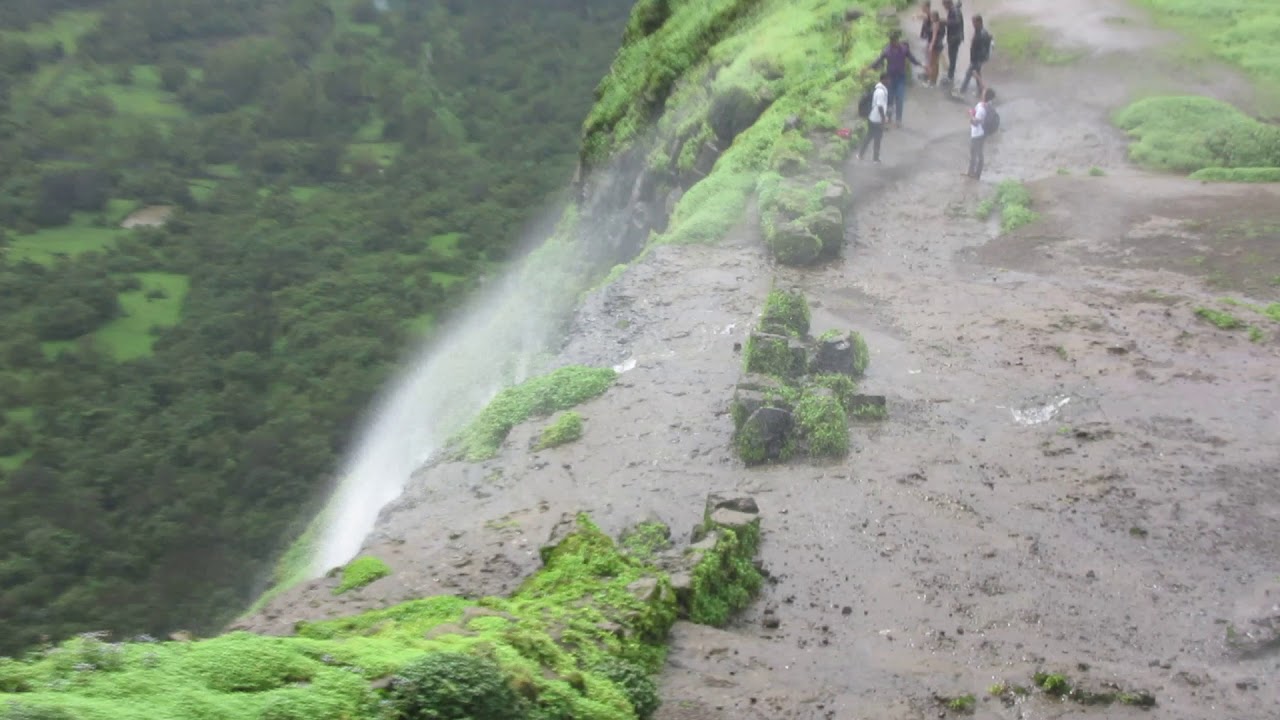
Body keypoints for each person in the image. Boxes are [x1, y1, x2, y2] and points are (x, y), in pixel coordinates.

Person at [867, 32, 922, 128]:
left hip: (900, 77)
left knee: (899, 98)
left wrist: (921, 65)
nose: (896, 43)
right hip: (890, 78)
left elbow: (912, 58)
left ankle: (898, 120)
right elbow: (879, 61)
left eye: (896, 41)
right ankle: (888, 118)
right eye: (894, 42)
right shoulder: (887, 51)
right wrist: (869, 67)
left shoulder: (904, 49)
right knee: (889, 99)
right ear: (891, 42)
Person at [858, 73, 890, 163]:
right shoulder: (880, 92)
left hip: (873, 117)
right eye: (888, 79)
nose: (889, 81)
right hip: (876, 119)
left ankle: (861, 154)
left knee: (870, 136)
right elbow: (880, 106)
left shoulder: (880, 89)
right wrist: (883, 118)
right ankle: (875, 158)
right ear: (883, 80)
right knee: (877, 138)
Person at [959, 15, 993, 97]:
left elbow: (984, 49)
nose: (973, 24)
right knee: (977, 74)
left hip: (977, 59)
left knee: (968, 74)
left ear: (979, 22)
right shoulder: (978, 31)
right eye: (972, 22)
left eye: (974, 22)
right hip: (976, 58)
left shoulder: (982, 33)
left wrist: (978, 60)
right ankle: (980, 90)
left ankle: (962, 91)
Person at [966, 87, 995, 179]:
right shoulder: (986, 105)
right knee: (975, 153)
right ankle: (971, 172)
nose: (982, 92)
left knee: (976, 153)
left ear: (985, 96)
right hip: (982, 132)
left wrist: (970, 114)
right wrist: (974, 112)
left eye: (984, 92)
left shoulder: (982, 108)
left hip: (978, 133)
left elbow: (975, 122)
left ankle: (975, 174)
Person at [942, 0, 965, 87]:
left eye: (944, 5)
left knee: (952, 56)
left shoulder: (954, 11)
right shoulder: (954, 9)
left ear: (948, 3)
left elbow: (956, 22)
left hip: (954, 38)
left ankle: (950, 76)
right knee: (952, 56)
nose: (944, 7)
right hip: (954, 37)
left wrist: (945, 22)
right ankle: (950, 74)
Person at [925, 11, 945, 87]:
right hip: (939, 45)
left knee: (931, 63)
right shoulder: (940, 23)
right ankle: (934, 80)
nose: (931, 18)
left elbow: (934, 36)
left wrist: (931, 46)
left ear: (935, 17)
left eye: (932, 17)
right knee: (936, 63)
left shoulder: (935, 25)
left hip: (935, 46)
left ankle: (931, 81)